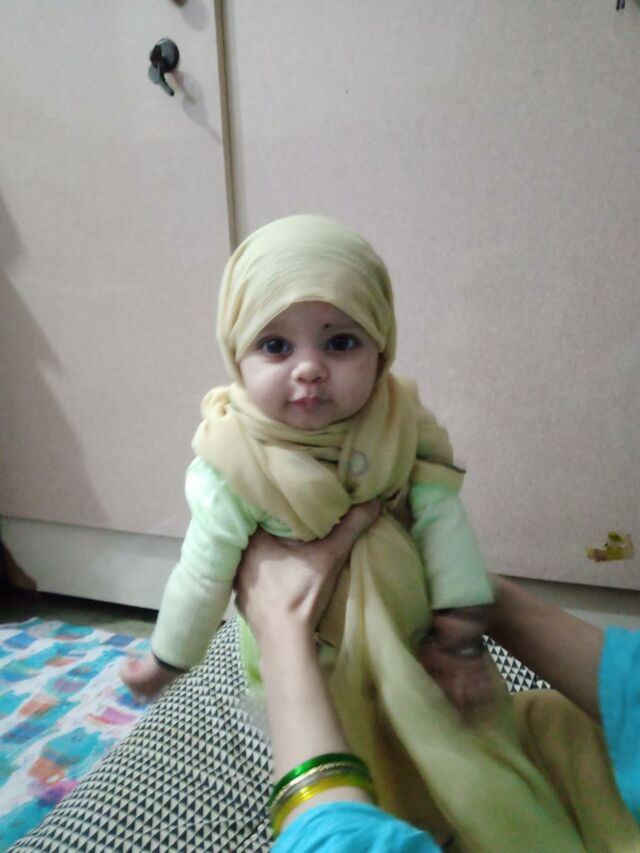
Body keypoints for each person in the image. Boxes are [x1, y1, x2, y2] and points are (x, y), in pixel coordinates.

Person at [120, 215, 628, 848]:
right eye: (275, 346)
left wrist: (462, 633)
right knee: (341, 736)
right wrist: (167, 659)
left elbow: (443, 521)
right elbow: (202, 571)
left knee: (441, 728)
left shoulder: (400, 420)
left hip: (413, 634)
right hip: (316, 654)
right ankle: (350, 798)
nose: (309, 368)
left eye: (340, 343)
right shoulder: (231, 458)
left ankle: (436, 803)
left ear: (381, 348)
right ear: (235, 355)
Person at [233, 503, 639, 850]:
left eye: (421, 636)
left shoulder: (557, 735)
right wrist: (483, 600)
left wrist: (285, 637)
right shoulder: (555, 729)